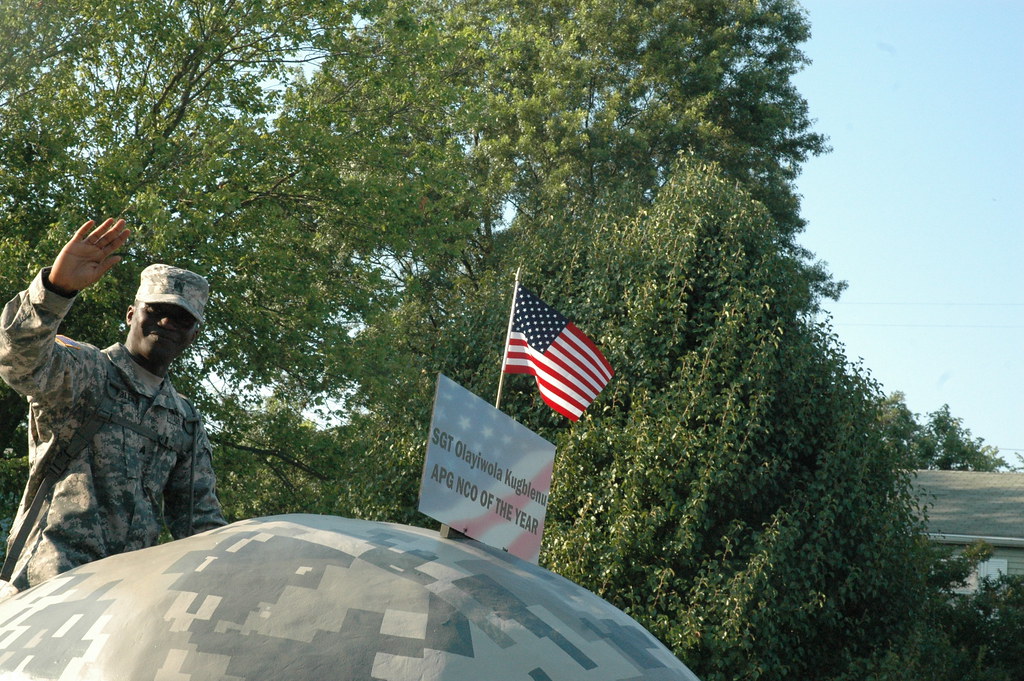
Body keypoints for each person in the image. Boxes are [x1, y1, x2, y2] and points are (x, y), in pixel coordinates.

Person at [0, 218, 226, 598]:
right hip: (49, 587)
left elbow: (199, 525)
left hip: (125, 602)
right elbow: (17, 360)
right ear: (131, 314)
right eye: (156, 310)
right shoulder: (86, 371)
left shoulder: (183, 419)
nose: (167, 322)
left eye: (182, 318)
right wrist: (55, 290)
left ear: (194, 334)